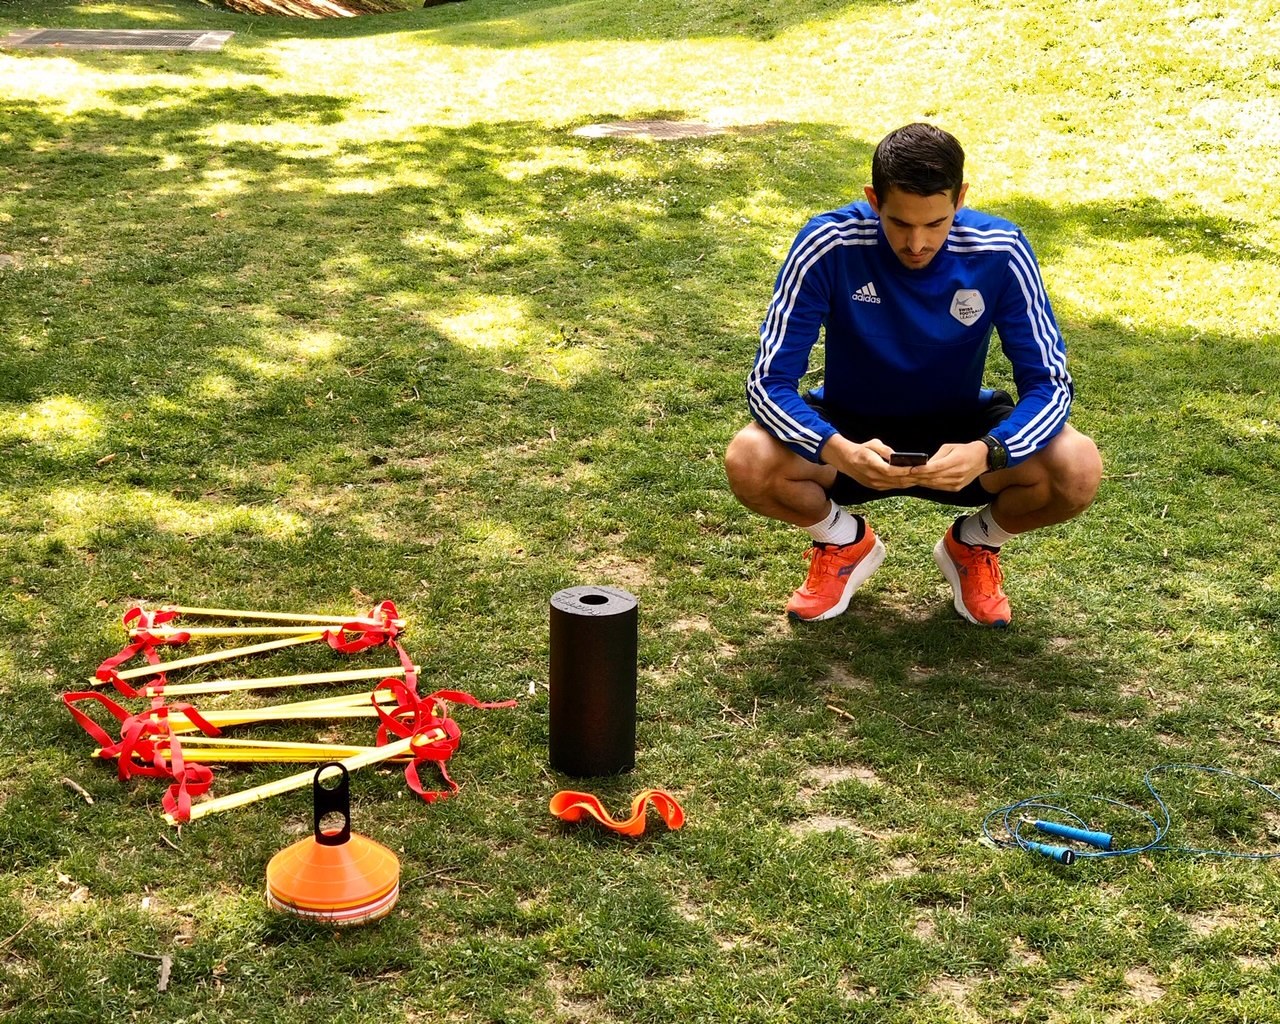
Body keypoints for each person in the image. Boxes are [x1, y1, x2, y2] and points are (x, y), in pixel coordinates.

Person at [724, 123, 1102, 626]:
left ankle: (974, 546)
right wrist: (836, 447)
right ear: (873, 199)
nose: (917, 242)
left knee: (1077, 467)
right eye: (900, 223)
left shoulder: (1002, 250)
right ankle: (842, 542)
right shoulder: (828, 243)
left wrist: (989, 450)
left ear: (961, 198)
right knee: (749, 459)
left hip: (961, 435)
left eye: (936, 223)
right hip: (850, 433)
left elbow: (1051, 384)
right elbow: (768, 383)